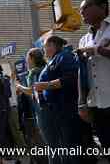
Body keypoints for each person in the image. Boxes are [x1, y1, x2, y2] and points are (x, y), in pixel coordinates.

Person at [78, 0, 110, 164]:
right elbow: (82, 74)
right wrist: (82, 102)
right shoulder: (83, 40)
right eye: (80, 10)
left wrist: (98, 50)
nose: (81, 12)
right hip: (97, 107)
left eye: (85, 7)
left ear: (102, 6)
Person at [33, 35, 82, 164]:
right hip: (55, 111)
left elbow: (71, 78)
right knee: (63, 145)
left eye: (45, 47)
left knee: (69, 146)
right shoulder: (53, 59)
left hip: (66, 108)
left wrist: (46, 85)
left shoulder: (64, 56)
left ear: (52, 45)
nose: (44, 50)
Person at [16, 48, 48, 164]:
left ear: (32, 58)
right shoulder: (43, 69)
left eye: (27, 58)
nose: (26, 61)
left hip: (42, 112)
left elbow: (31, 90)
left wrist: (19, 87)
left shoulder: (34, 72)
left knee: (44, 141)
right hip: (41, 111)